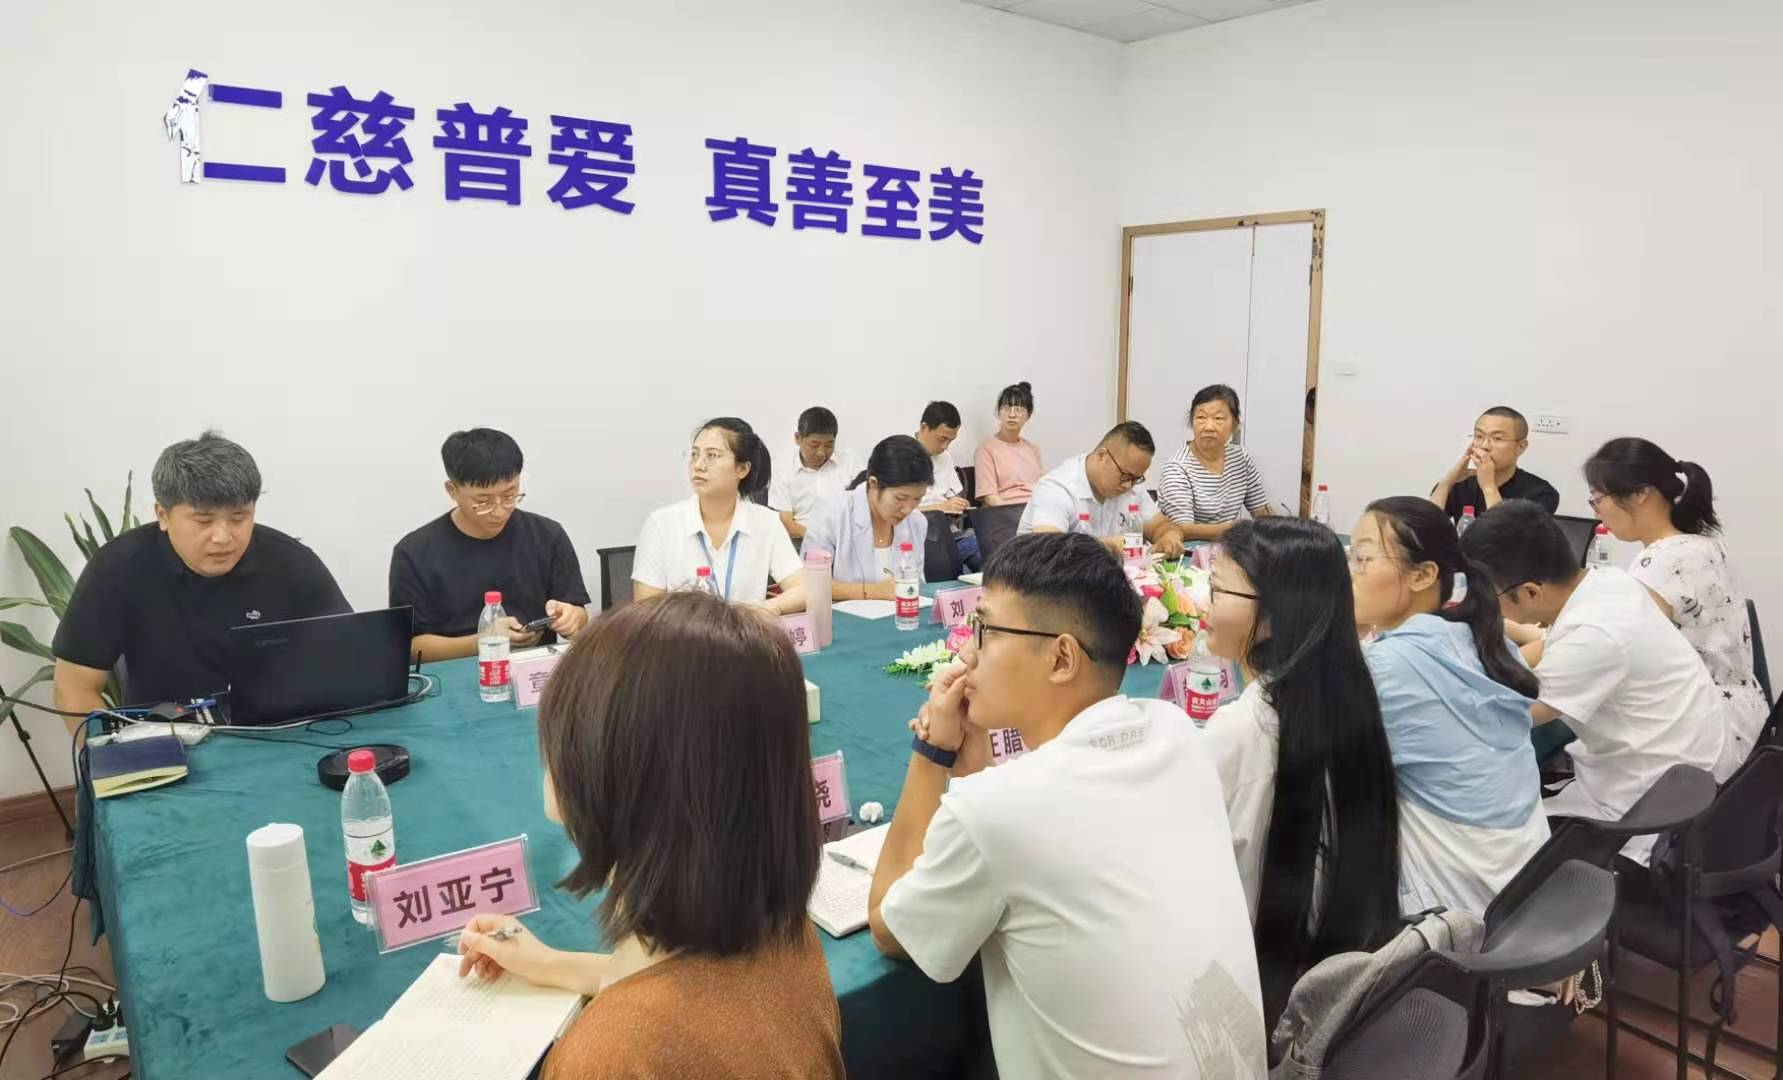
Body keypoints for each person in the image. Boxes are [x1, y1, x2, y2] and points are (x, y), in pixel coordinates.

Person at [868, 533, 1266, 1078]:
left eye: (985, 631)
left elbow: (890, 930)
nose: (965, 653)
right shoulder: (1176, 732)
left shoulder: (998, 810)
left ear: (1060, 658)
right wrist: (980, 772)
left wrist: (932, 753)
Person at [455, 591, 844, 1079]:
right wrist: (549, 963)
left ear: (612, 769)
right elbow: (681, 991)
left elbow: (657, 1020)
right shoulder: (785, 933)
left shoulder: (605, 1058)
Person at [1197, 517, 1401, 1025]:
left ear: (1273, 614)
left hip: (1252, 985)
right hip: (1328, 969)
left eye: (1217, 588)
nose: (1203, 603)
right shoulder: (1347, 693)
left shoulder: (1241, 729)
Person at [1462, 500, 1734, 863]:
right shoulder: (1608, 582)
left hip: (1650, 814)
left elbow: (1507, 718)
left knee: (1479, 845)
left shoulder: (1595, 632)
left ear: (1530, 592)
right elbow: (1547, 652)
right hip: (1680, 781)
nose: (1491, 609)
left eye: (1490, 598)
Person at [51, 432, 350, 734]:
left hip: (280, 731)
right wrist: (118, 757)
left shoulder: (290, 562)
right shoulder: (118, 567)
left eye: (238, 518)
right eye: (204, 521)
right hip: (165, 736)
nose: (223, 537)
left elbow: (346, 660)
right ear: (163, 515)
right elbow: (73, 688)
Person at [1349, 497, 1548, 917]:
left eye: (1363, 559)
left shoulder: (1390, 664)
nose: (1350, 573)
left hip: (1459, 914)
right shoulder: (1479, 639)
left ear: (1423, 575)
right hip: (1525, 889)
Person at [1585, 438, 1766, 763]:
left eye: (1598, 499)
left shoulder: (1659, 563)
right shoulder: (1704, 545)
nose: (1597, 512)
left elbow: (1615, 651)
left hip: (1701, 733)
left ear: (1640, 494)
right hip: (1746, 721)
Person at [388, 428, 590, 663]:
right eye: (483, 501)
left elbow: (579, 614)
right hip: (455, 675)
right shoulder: (414, 553)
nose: (499, 511)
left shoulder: (548, 536)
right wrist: (484, 640)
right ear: (452, 490)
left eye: (510, 495)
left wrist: (573, 618)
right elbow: (411, 648)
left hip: (533, 671)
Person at [633, 418, 806, 612]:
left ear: (742, 469)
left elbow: (804, 589)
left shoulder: (766, 522)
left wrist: (764, 610)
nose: (698, 465)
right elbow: (646, 609)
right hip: (681, 631)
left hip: (747, 629)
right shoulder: (662, 524)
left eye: (712, 455)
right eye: (694, 454)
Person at [1016, 421, 1186, 560]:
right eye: (1125, 475)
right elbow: (1049, 552)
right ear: (1101, 455)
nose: (1128, 485)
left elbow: (1160, 525)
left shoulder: (1131, 487)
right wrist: (1107, 547)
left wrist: (1169, 537)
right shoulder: (1057, 488)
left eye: (1136, 478)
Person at [800, 436, 931, 601]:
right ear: (874, 483)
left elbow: (916, 584)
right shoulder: (832, 512)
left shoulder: (917, 522)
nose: (908, 509)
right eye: (900, 498)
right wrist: (872, 591)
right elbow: (809, 583)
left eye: (917, 499)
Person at [1158, 384, 1276, 539]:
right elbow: (1183, 529)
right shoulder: (1177, 468)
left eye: (1218, 418)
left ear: (1234, 424)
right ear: (1192, 422)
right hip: (1187, 550)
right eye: (1201, 418)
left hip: (1227, 546)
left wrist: (1279, 529)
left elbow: (1261, 512)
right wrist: (1237, 529)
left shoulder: (1240, 458)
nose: (1209, 427)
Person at [1429, 406, 1560, 520]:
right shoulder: (1461, 483)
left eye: (1497, 438)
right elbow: (1427, 525)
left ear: (1520, 447)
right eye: (1479, 436)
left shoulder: (1541, 493)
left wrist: (1489, 487)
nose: (1484, 445)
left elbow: (1510, 536)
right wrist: (1447, 483)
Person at [767, 406, 849, 541]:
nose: (821, 453)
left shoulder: (849, 464)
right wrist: (821, 538)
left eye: (829, 445)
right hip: (801, 540)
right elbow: (786, 524)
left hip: (844, 539)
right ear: (798, 438)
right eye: (814, 445)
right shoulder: (782, 470)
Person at [972, 382, 1043, 508]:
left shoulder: (1033, 449)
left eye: (1019, 410)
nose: (1012, 415)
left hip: (1036, 510)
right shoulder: (985, 450)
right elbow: (990, 498)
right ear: (999, 412)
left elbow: (1042, 490)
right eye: (1006, 408)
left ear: (1029, 415)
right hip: (1005, 512)